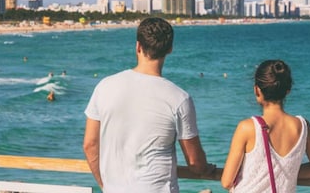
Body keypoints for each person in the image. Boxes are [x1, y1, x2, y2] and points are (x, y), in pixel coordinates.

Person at [83, 17, 215, 193]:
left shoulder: (104, 86)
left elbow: (90, 145)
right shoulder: (179, 98)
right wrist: (206, 168)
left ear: (138, 47)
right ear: (170, 49)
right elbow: (195, 163)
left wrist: (104, 185)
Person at [221, 59, 310, 192]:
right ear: (287, 91)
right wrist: (289, 172)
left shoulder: (247, 127)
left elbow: (226, 181)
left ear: (257, 90)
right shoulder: (303, 126)